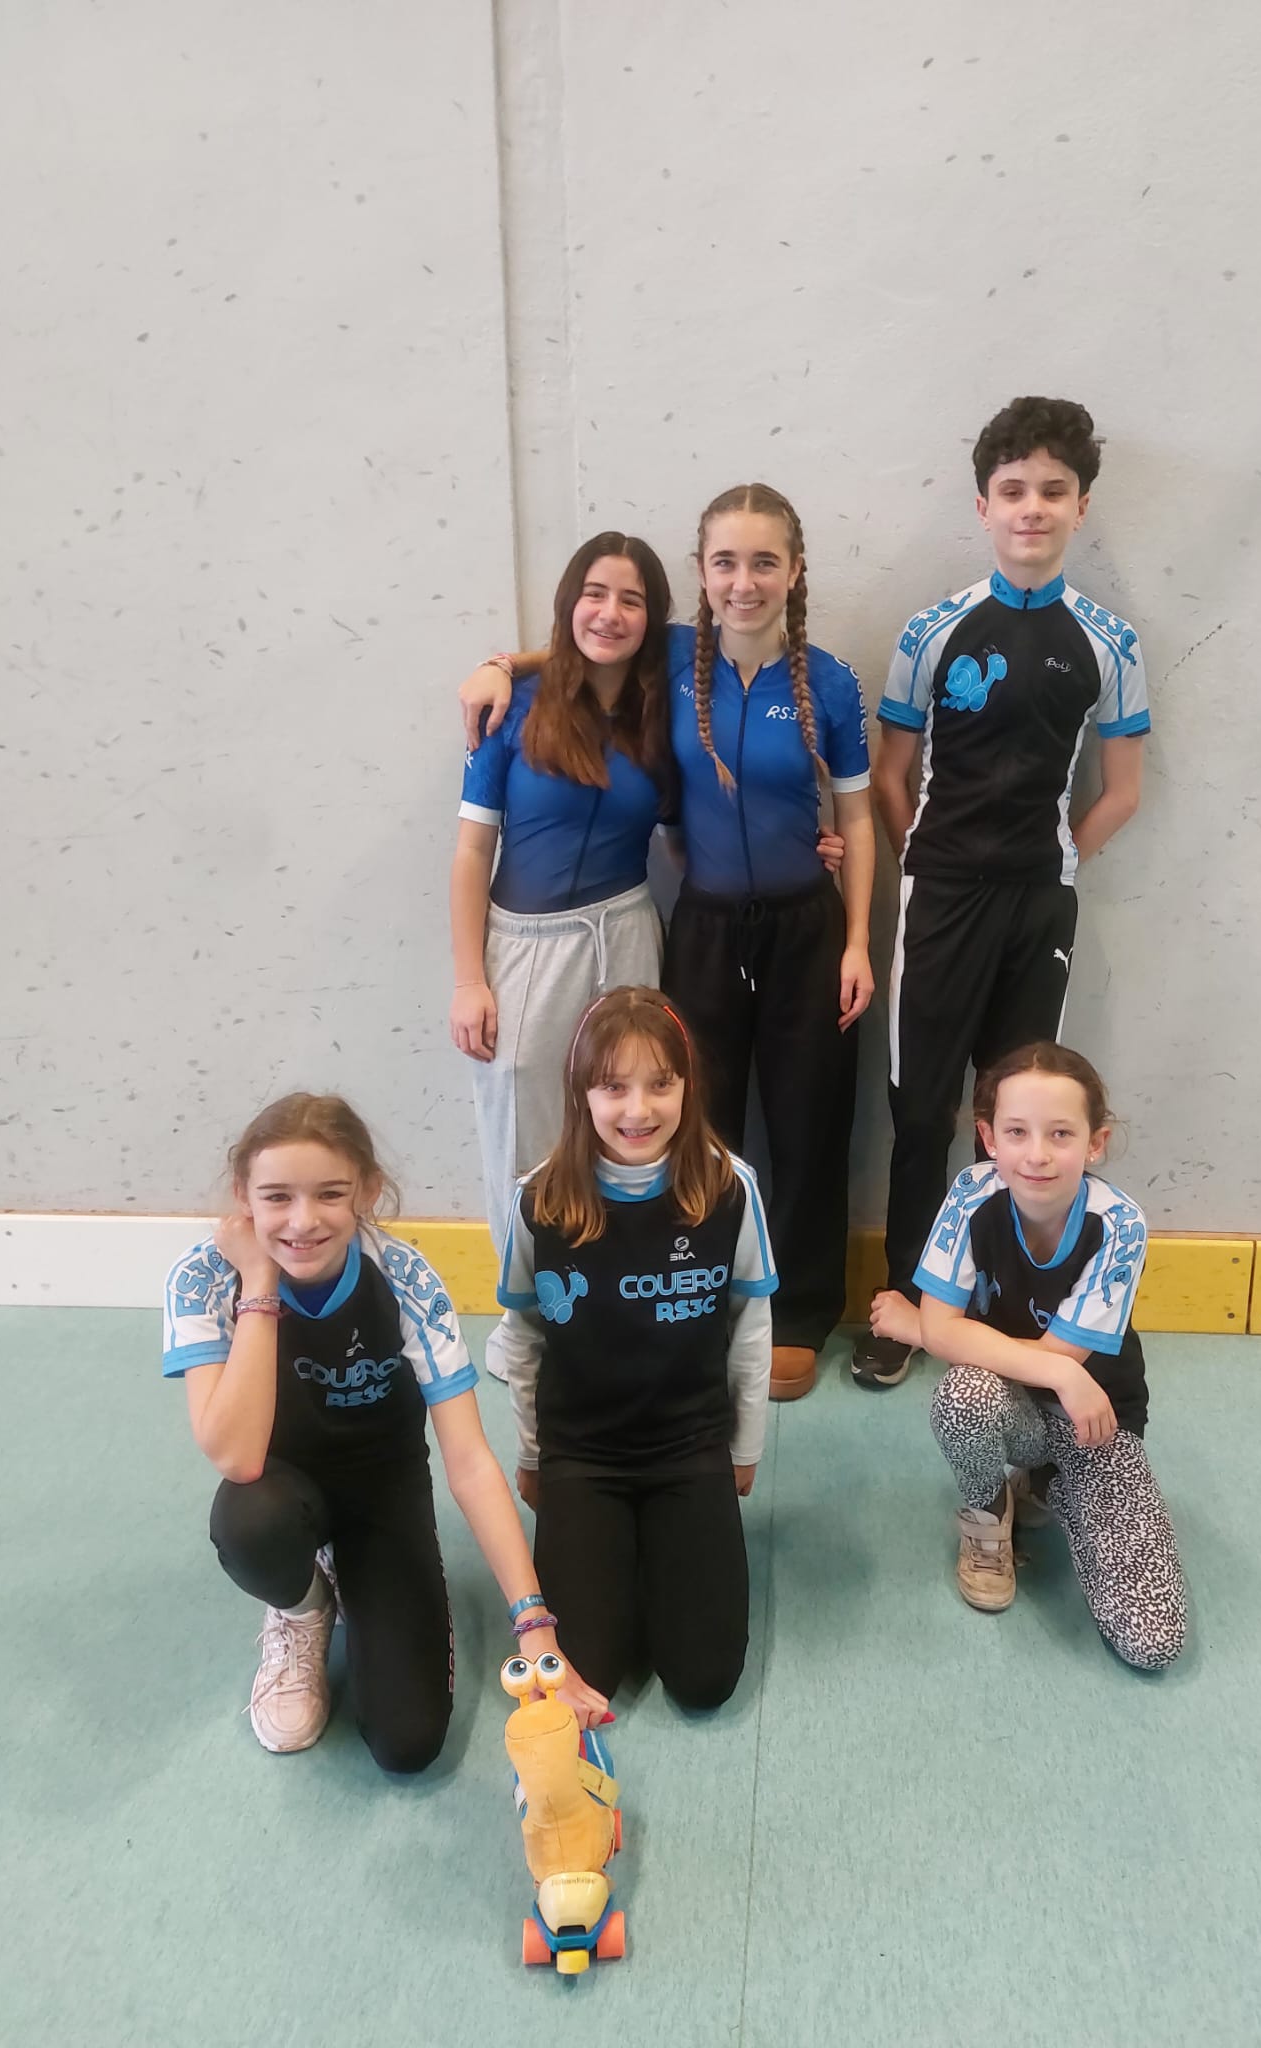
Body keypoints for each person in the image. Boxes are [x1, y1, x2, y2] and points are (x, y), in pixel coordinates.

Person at [460, 484, 874, 1402]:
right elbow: (588, 641)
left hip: (803, 925)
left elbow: (857, 817)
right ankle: (699, 1297)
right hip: (701, 926)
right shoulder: (680, 658)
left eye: (764, 562)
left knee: (807, 1122)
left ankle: (801, 1314)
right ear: (701, 573)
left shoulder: (830, 681)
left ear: (795, 571)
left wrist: (857, 939)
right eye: (725, 562)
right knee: (692, 1122)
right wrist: (500, 664)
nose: (743, 582)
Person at [162, 1092, 605, 1768]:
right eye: (277, 1197)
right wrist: (259, 1283)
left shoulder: (405, 1280)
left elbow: (469, 1461)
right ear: (242, 1196)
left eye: (330, 1194)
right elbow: (236, 1456)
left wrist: (534, 1623)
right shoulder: (203, 1279)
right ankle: (304, 1607)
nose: (303, 1221)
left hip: (382, 1490)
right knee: (250, 1522)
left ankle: (363, 1582)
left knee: (408, 1744)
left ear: (368, 1191)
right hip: (278, 1487)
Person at [854, 397, 1150, 1390]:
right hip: (939, 898)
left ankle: (1002, 1310)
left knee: (1017, 1115)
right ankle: (906, 1304)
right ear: (983, 505)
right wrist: (927, 857)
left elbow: (1122, 791)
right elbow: (890, 775)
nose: (1033, 507)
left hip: (1038, 906)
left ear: (1081, 506)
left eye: (1053, 491)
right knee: (921, 1112)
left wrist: (1059, 858)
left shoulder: (1110, 641)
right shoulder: (931, 628)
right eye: (1013, 490)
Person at [494, 987, 776, 1710]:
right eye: (613, 1086)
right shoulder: (539, 1199)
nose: (638, 1109)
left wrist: (744, 1448)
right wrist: (533, 1456)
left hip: (690, 1445)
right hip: (582, 1454)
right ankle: (627, 1551)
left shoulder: (729, 1187)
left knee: (704, 1680)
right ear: (581, 1093)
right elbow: (522, 1340)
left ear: (688, 1087)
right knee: (589, 1667)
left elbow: (751, 1327)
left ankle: (662, 1549)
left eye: (660, 1084)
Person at [451, 532, 674, 1387]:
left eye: (631, 599)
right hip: (524, 947)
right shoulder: (511, 711)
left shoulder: (664, 709)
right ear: (567, 602)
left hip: (627, 936)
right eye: (594, 593)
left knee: (631, 1125)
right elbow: (471, 853)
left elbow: (687, 838)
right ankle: (527, 1322)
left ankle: (616, 1307)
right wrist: (470, 979)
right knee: (523, 1138)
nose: (609, 613)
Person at [915, 1043, 1186, 1670]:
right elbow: (954, 1336)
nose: (1036, 1154)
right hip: (1016, 1401)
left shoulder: (1119, 1224)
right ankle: (990, 1510)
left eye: (1060, 1133)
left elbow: (954, 1333)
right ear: (988, 1138)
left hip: (1095, 1420)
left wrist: (930, 1329)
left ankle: (1047, 1486)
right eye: (1016, 1132)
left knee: (1151, 1641)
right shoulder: (972, 1193)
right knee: (963, 1395)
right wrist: (941, 1332)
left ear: (1096, 1143)